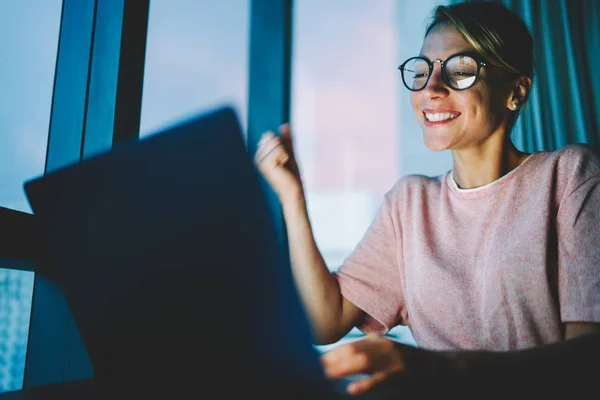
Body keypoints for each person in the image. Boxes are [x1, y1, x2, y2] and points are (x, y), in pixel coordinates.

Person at [255, 1, 600, 397]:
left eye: (460, 71)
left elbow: (590, 359)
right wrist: (292, 198)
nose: (432, 90)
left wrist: (441, 370)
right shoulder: (409, 202)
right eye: (422, 72)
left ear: (516, 91)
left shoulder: (572, 176)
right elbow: (324, 320)